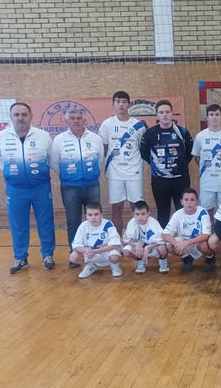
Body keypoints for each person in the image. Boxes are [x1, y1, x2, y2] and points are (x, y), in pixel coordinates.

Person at [0, 102, 56, 274]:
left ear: (31, 116)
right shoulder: (0, 137)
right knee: (18, 224)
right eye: (16, 114)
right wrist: (14, 173)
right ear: (11, 117)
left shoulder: (43, 136)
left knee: (46, 222)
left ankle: (48, 255)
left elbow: (51, 158)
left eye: (24, 114)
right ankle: (20, 257)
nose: (20, 118)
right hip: (15, 189)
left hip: (40, 187)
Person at [50, 108, 104, 268]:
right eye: (72, 118)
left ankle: (94, 254)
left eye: (79, 118)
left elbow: (99, 159)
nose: (76, 121)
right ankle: (75, 255)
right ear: (66, 121)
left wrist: (88, 174)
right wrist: (70, 176)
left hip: (92, 185)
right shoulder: (59, 140)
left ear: (84, 120)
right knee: (73, 222)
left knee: (95, 220)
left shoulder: (95, 138)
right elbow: (54, 163)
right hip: (70, 187)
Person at [98, 91, 147, 234]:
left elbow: (142, 148)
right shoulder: (107, 124)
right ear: (113, 104)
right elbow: (104, 149)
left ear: (129, 104)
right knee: (117, 207)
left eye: (124, 102)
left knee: (136, 207)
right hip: (114, 172)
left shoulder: (138, 125)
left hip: (134, 171)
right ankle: (117, 241)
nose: (121, 104)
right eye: (118, 101)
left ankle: (138, 238)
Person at [140, 99, 193, 228]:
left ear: (172, 113)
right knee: (163, 213)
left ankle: (183, 237)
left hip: (180, 179)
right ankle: (163, 239)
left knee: (183, 212)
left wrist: (179, 165)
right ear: (157, 114)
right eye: (161, 112)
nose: (165, 115)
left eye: (167, 112)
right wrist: (157, 165)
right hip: (160, 180)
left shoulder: (182, 132)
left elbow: (190, 152)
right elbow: (144, 153)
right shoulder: (150, 134)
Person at [192, 104, 221, 219]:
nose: (214, 117)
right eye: (211, 114)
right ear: (207, 117)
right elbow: (196, 157)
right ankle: (209, 230)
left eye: (217, 114)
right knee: (207, 211)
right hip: (207, 182)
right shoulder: (200, 136)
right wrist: (206, 169)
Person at [162, 188, 215, 272]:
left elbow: (206, 235)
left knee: (203, 244)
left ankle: (210, 258)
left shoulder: (202, 212)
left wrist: (186, 242)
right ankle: (187, 259)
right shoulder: (177, 214)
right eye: (186, 200)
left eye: (192, 200)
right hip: (184, 242)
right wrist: (176, 243)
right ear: (181, 202)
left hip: (197, 242)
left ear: (197, 201)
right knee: (169, 245)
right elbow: (165, 234)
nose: (189, 202)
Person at [70, 202, 122, 278]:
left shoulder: (108, 224)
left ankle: (114, 264)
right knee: (73, 256)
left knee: (114, 257)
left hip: (106, 252)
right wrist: (86, 250)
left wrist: (98, 250)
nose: (93, 217)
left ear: (101, 215)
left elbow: (115, 245)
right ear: (86, 216)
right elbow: (76, 245)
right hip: (91, 253)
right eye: (90, 215)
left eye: (96, 214)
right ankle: (90, 265)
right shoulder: (83, 226)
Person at [122, 200, 169, 274]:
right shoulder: (132, 223)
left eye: (143, 214)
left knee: (162, 248)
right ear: (133, 214)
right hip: (139, 248)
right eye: (137, 214)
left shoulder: (153, 223)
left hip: (153, 248)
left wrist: (148, 247)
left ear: (148, 213)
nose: (140, 217)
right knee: (125, 251)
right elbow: (126, 240)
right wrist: (136, 244)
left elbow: (162, 240)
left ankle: (163, 260)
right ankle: (140, 260)